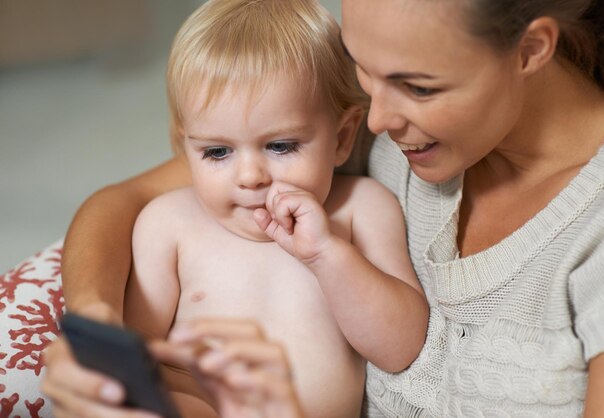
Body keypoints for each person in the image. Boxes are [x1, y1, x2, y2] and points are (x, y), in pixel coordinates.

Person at [42, 0, 604, 416]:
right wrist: (95, 326)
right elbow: (126, 202)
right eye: (364, 74)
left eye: (418, 87)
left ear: (530, 49)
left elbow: (402, 339)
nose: (376, 122)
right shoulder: (370, 113)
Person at [43, 0, 429, 417]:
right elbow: (138, 358)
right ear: (183, 145)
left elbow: (401, 348)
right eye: (217, 151)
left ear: (342, 138)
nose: (250, 176)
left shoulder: (362, 209)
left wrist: (328, 256)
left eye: (280, 145)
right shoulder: (167, 225)